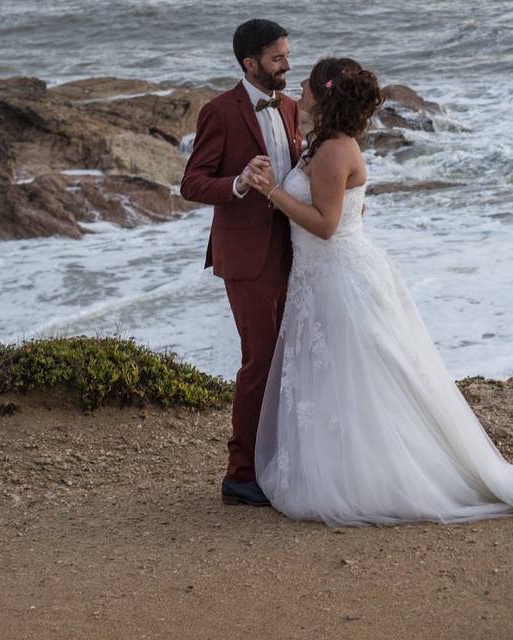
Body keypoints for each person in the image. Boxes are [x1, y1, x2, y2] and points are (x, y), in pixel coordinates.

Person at [245, 57, 513, 526]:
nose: (300, 92)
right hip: (323, 277)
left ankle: (374, 479)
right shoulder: (321, 145)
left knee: (361, 378)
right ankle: (335, 466)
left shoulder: (333, 151)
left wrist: (272, 191)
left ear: (325, 96)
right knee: (339, 380)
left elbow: (327, 226)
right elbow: (346, 211)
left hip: (338, 277)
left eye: (308, 86)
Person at [180, 19, 302, 506]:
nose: (287, 65)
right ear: (249, 63)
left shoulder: (292, 108)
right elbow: (192, 183)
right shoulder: (220, 111)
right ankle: (241, 473)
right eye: (278, 58)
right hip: (247, 257)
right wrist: (236, 184)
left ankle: (280, 460)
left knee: (290, 360)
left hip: (297, 251)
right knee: (260, 362)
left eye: (288, 55)